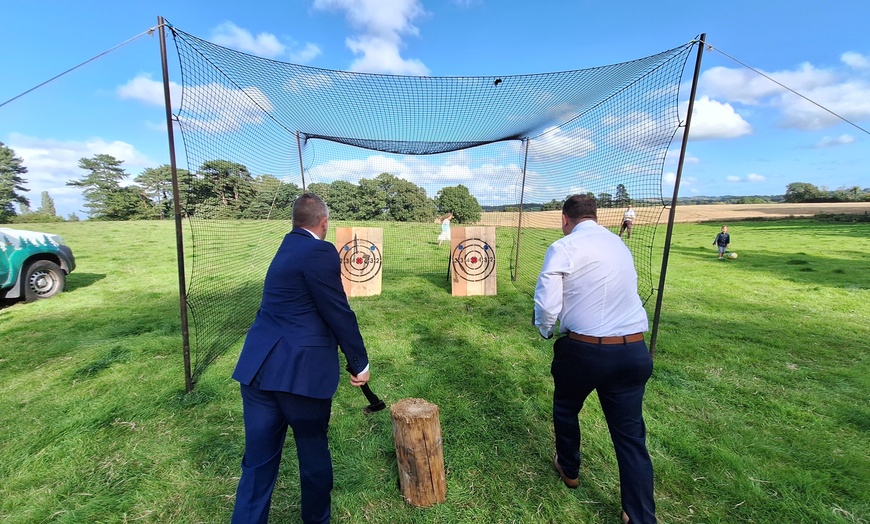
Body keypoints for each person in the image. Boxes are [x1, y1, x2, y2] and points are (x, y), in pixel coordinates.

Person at [231, 193, 371, 524]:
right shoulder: (319, 250)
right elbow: (337, 310)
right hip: (299, 376)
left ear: (294, 222)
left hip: (258, 370)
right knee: (312, 455)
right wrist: (360, 362)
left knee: (257, 463)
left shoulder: (286, 247)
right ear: (323, 222)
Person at [534, 194, 656, 524]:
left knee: (566, 407)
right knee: (631, 438)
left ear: (564, 219)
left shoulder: (563, 247)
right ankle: (640, 516)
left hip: (585, 351)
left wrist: (546, 331)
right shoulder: (619, 244)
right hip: (634, 352)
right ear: (595, 216)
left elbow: (547, 306)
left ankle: (569, 468)